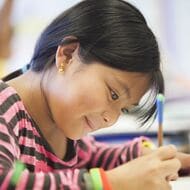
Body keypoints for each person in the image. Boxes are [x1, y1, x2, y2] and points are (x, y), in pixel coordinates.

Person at [0, 0, 190, 189]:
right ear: (68, 54)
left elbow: (94, 158)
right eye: (113, 94)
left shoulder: (64, 124)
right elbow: (6, 182)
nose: (111, 119)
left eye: (123, 109)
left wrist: (145, 159)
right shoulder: (4, 107)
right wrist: (109, 183)